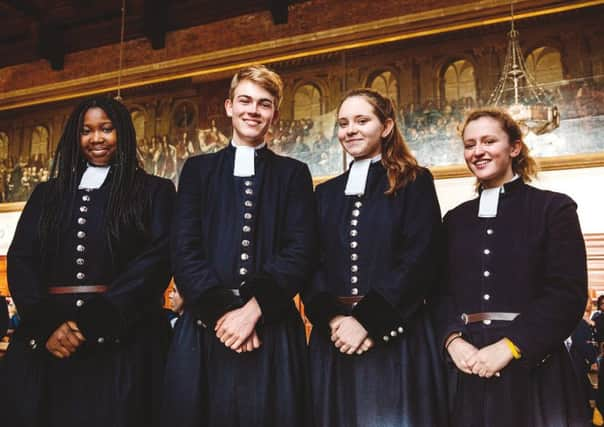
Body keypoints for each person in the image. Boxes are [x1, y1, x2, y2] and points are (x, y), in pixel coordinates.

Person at [0, 96, 175, 427]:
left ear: (122, 133)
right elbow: (22, 259)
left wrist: (97, 319)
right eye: (87, 130)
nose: (97, 138)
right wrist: (46, 324)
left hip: (125, 344)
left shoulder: (155, 190)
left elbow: (157, 259)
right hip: (50, 345)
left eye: (106, 129)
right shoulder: (46, 195)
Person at [162, 65, 316, 427]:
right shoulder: (198, 170)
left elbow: (300, 249)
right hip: (205, 325)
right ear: (229, 107)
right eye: (245, 101)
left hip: (271, 327)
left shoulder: (293, 174)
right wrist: (224, 312)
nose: (253, 110)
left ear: (275, 114)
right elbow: (184, 248)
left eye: (264, 104)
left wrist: (252, 312)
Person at [302, 88, 448, 427]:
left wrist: (368, 320)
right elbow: (312, 262)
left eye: (361, 120)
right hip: (334, 338)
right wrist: (335, 320)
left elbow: (421, 259)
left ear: (385, 127)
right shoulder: (325, 193)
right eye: (343, 123)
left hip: (395, 335)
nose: (349, 130)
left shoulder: (414, 181)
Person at [439, 108, 588, 426]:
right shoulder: (454, 220)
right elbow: (439, 292)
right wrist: (452, 340)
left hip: (534, 367)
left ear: (515, 147)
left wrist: (511, 346)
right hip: (467, 367)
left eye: (489, 141)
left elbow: (566, 293)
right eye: (469, 144)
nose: (477, 151)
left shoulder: (553, 208)